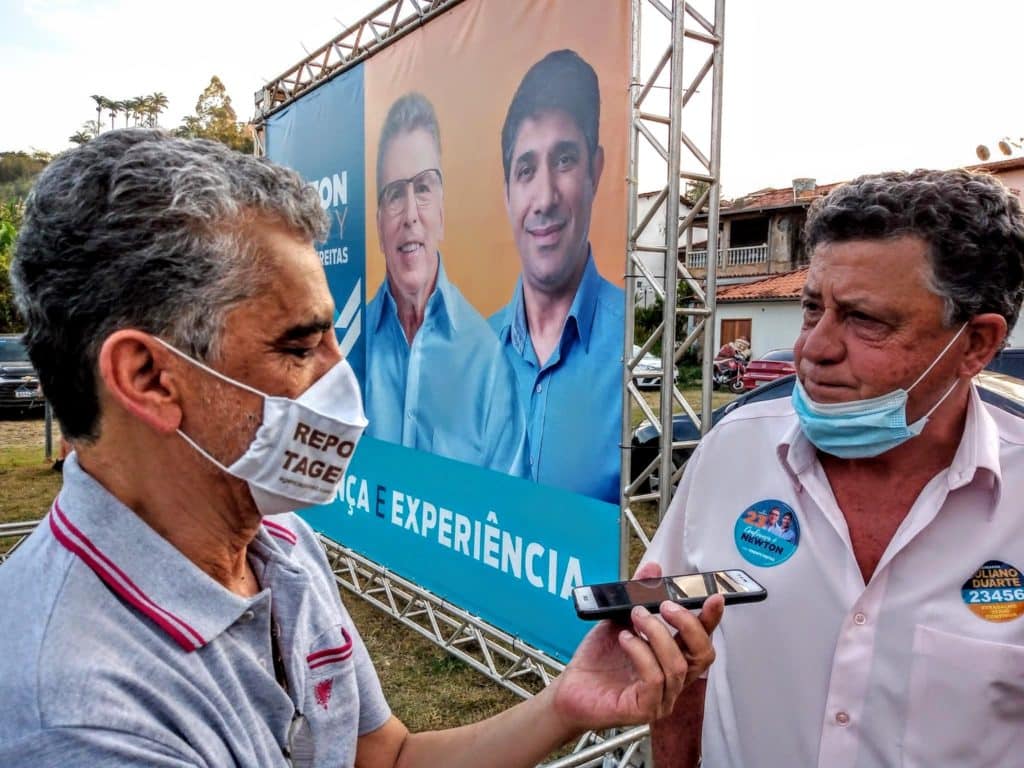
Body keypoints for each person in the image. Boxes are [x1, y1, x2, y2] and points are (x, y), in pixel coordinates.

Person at [0, 130, 723, 767]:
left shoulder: (281, 548)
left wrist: (565, 705)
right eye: (299, 344)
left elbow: (386, 757)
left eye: (333, 334)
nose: (340, 376)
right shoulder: (76, 713)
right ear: (149, 378)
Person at [644, 168, 1024, 767]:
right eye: (811, 308)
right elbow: (678, 654)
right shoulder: (732, 452)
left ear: (976, 344)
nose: (814, 349)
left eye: (865, 320)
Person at [366, 93, 528, 476]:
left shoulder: (487, 361)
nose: (410, 216)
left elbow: (505, 512)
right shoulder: (350, 348)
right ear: (378, 226)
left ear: (441, 209)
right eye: (394, 194)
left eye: (422, 187)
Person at [490, 50, 625, 504]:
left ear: (596, 170)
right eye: (526, 170)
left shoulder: (636, 349)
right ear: (507, 192)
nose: (544, 197)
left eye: (564, 160)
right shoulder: (471, 356)